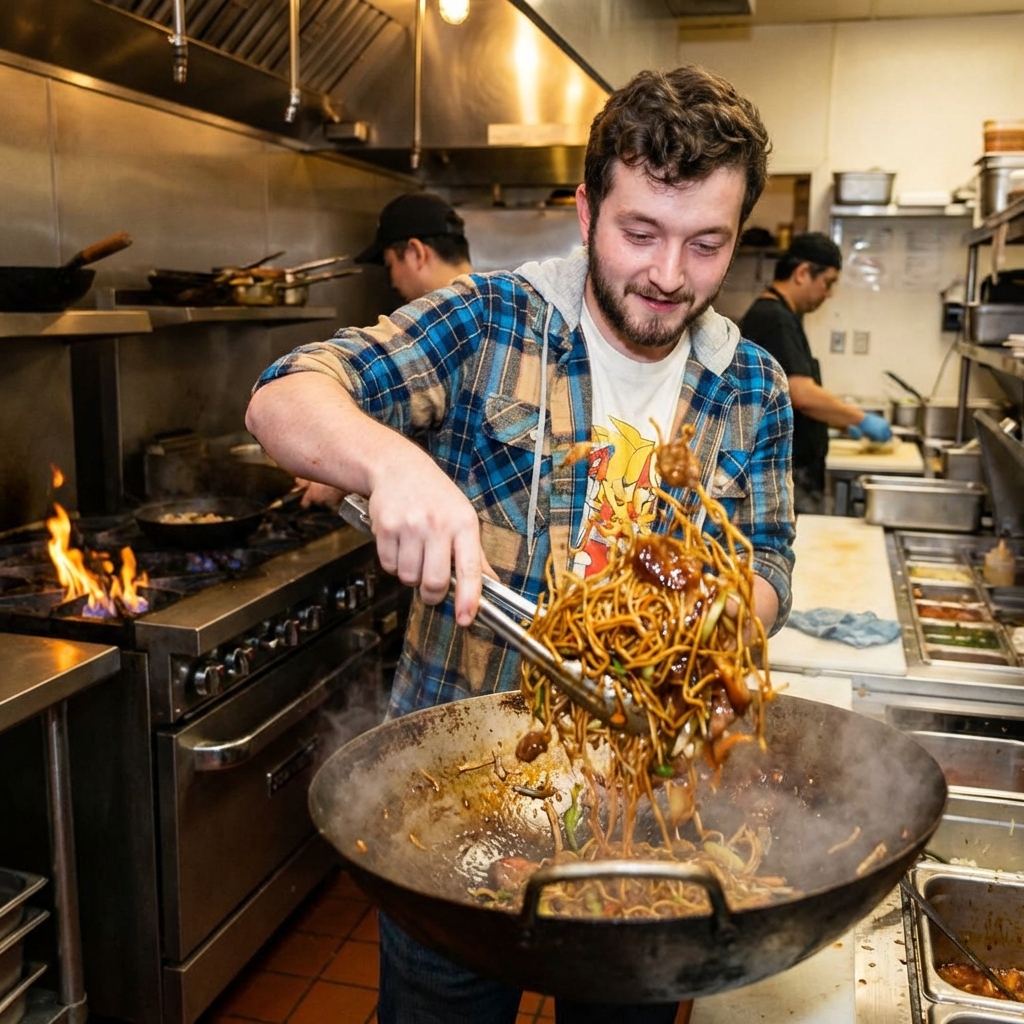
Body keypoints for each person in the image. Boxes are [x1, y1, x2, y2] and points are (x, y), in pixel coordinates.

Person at [246, 64, 795, 1024]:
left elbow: (772, 556)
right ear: (586, 210)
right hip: (461, 812)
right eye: (640, 233)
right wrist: (394, 467)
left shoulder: (753, 386)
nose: (670, 275)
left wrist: (721, 620)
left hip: (644, 808)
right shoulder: (492, 322)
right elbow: (286, 395)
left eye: (707, 243)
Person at [298, 191, 475, 507]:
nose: (391, 281)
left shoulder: (437, 332)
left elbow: (450, 458)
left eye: (389, 264)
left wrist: (345, 474)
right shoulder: (501, 317)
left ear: (416, 252)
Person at [739, 232, 892, 514]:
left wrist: (842, 423)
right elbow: (800, 393)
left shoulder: (785, 316)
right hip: (786, 471)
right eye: (828, 283)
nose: (829, 293)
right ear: (802, 273)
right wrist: (860, 418)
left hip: (797, 470)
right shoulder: (773, 318)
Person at [355, 190, 473, 303]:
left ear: (416, 253)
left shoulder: (437, 321)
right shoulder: (487, 303)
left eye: (389, 265)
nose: (393, 283)